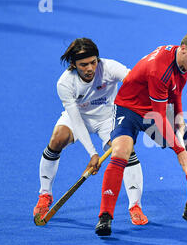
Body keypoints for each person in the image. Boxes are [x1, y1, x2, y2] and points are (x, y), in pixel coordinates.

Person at [95, 29, 187, 236]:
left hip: (157, 109)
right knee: (121, 152)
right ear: (184, 49)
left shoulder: (183, 63)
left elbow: (176, 92)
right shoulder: (159, 70)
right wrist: (179, 150)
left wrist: (179, 119)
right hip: (130, 110)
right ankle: (105, 216)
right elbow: (159, 119)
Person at [33, 38, 148, 226]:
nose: (90, 68)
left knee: (126, 151)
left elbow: (135, 83)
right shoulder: (65, 83)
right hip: (79, 117)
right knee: (57, 139)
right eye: (83, 64)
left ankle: (135, 206)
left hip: (108, 118)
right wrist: (93, 153)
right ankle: (45, 194)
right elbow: (76, 121)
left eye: (93, 62)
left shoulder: (109, 67)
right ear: (73, 65)